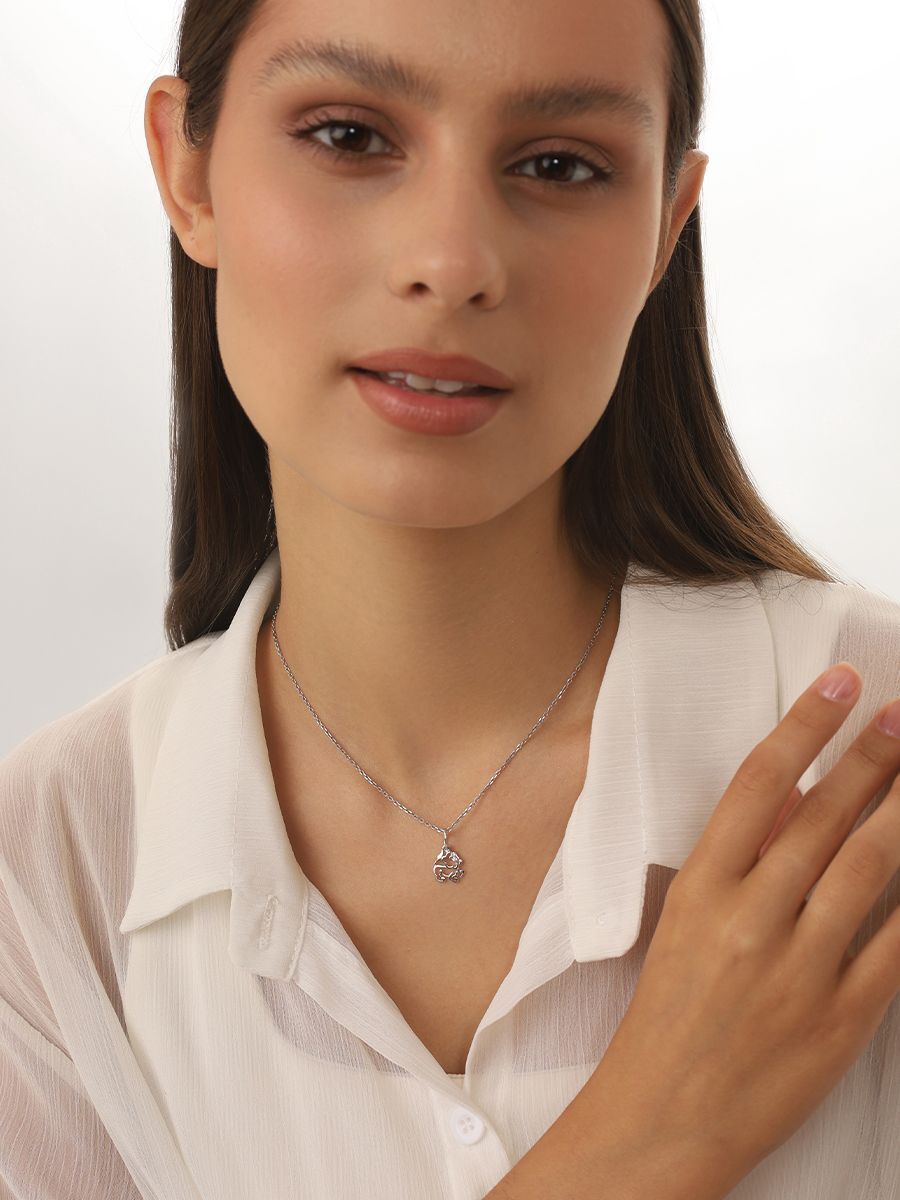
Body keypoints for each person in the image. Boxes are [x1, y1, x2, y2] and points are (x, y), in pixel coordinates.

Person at [1, 0, 898, 1197]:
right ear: (188, 168)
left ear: (666, 227)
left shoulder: (874, 763)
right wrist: (644, 1140)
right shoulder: (46, 872)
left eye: (559, 165)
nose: (453, 262)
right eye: (349, 136)